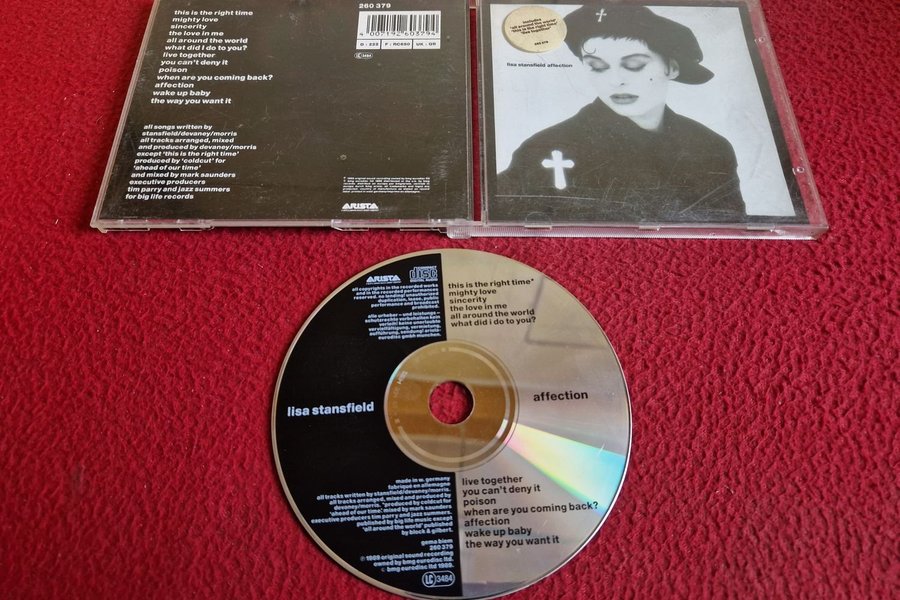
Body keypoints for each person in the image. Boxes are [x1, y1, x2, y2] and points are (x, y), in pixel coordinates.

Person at [495, 5, 747, 223]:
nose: (615, 80)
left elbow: (728, 229)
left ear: (671, 68)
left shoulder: (710, 146)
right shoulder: (544, 148)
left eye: (634, 65)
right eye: (597, 67)